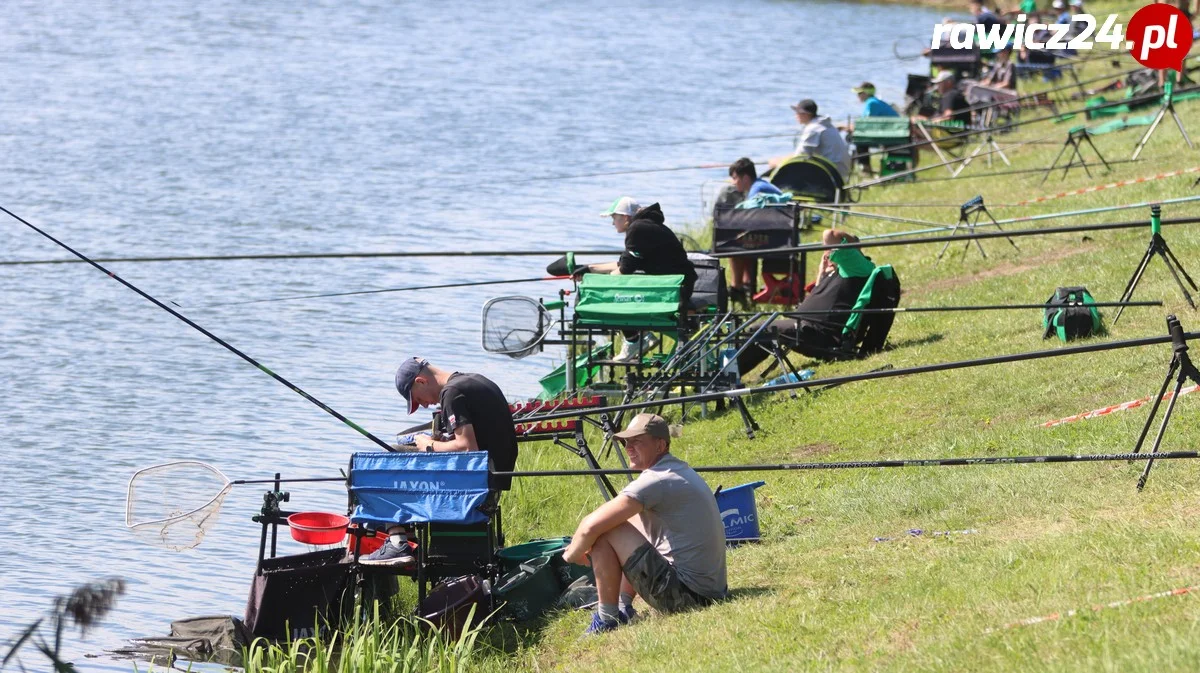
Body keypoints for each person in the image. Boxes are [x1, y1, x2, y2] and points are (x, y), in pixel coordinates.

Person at [562, 413, 727, 634]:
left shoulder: (656, 479)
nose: (628, 447)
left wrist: (573, 553)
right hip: (709, 591)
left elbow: (591, 526)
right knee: (624, 518)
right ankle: (622, 605)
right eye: (626, 442)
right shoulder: (675, 469)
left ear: (660, 445)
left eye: (637, 441)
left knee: (605, 530)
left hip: (688, 597)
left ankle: (607, 619)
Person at [360, 357, 519, 566]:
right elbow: (479, 439)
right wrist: (446, 441)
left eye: (418, 399)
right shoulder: (476, 381)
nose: (425, 405)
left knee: (387, 459)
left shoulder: (451, 393)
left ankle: (398, 540)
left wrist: (429, 445)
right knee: (400, 458)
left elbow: (467, 448)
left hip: (477, 488)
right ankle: (407, 538)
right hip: (491, 480)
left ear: (421, 381)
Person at [735, 228, 877, 376]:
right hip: (810, 329)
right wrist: (821, 277)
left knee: (759, 329)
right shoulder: (839, 272)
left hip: (820, 335)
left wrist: (852, 244)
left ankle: (727, 375)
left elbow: (829, 234)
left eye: (831, 251)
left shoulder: (857, 267)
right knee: (758, 332)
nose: (829, 255)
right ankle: (728, 373)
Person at [584, 198, 698, 362]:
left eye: (614, 218)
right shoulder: (646, 226)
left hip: (673, 291)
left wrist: (599, 285)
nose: (612, 223)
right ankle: (639, 338)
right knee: (617, 288)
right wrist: (590, 269)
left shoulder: (637, 229)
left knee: (611, 296)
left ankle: (635, 340)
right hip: (672, 286)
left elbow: (624, 270)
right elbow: (625, 263)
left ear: (625, 217)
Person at [724, 158, 782, 306]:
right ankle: (744, 288)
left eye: (736, 178)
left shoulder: (756, 190)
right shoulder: (761, 185)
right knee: (741, 243)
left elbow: (749, 219)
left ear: (745, 177)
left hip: (780, 240)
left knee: (733, 247)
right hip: (782, 234)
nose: (734, 182)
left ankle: (737, 288)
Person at [771, 99, 852, 181]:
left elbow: (800, 157)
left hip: (833, 173)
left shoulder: (813, 129)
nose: (795, 116)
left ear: (805, 114)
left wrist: (778, 162)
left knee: (781, 168)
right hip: (841, 169)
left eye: (797, 113)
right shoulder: (824, 124)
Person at [840, 82, 900, 176]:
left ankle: (865, 169)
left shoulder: (872, 103)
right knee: (856, 137)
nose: (857, 96)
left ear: (866, 93)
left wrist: (844, 127)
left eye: (860, 93)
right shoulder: (874, 101)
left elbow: (865, 125)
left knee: (858, 140)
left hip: (892, 136)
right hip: (893, 133)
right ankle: (864, 167)